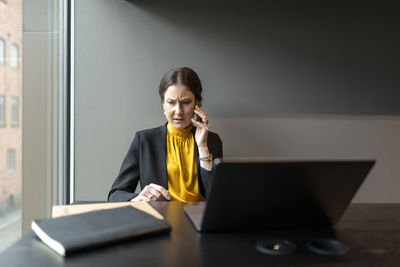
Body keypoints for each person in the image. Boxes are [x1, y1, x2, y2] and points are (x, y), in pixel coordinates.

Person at [108, 67, 223, 202]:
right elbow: (115, 194)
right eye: (171, 102)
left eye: (186, 102)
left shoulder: (212, 141)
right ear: (163, 104)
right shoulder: (144, 140)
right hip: (160, 220)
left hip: (199, 221)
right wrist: (137, 198)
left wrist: (203, 147)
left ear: (197, 104)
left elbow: (217, 199)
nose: (178, 111)